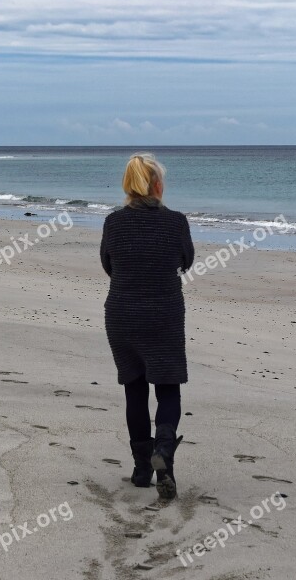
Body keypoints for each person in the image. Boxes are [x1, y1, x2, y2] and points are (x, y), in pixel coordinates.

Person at [100, 153, 194, 499]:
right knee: (167, 388)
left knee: (134, 387)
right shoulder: (176, 222)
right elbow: (186, 261)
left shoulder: (113, 223)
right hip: (164, 316)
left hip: (122, 316)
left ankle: (142, 469)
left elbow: (108, 264)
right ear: (157, 184)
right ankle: (163, 452)